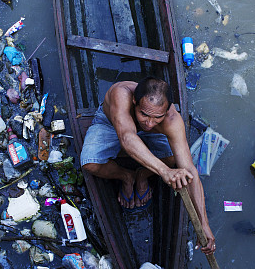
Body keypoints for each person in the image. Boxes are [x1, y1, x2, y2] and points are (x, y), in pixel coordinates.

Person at [80, 77, 215, 254]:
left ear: (166, 111)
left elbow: (189, 171)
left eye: (157, 117)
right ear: (135, 102)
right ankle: (126, 176)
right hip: (113, 125)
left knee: (175, 158)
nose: (149, 123)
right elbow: (127, 137)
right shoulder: (121, 94)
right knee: (89, 163)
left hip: (150, 137)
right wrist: (164, 171)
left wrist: (204, 224)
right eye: (144, 114)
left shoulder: (172, 120)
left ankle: (143, 175)